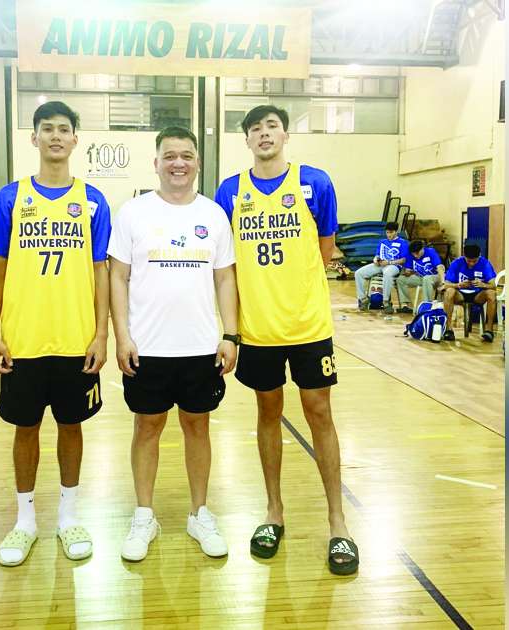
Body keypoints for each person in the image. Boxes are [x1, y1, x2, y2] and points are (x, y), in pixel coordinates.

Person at [214, 104, 358, 575]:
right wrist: (232, 330)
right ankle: (274, 513)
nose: (263, 134)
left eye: (271, 126)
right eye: (254, 129)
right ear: (247, 140)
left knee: (321, 415)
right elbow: (226, 265)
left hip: (309, 327)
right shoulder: (230, 191)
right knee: (268, 413)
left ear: (285, 134)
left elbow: (325, 249)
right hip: (258, 331)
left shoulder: (315, 182)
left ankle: (338, 522)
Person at [0, 101, 111, 566]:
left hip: (76, 341)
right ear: (33, 139)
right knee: (25, 427)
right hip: (23, 340)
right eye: (46, 129)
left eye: (64, 129)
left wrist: (102, 335)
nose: (56, 136)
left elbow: (101, 271)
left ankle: (69, 516)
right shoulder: (11, 198)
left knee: (72, 426)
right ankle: (25, 520)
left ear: (77, 140)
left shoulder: (93, 200)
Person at [108, 126, 239, 562]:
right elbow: (118, 277)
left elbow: (225, 278)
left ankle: (199, 513)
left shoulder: (214, 215)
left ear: (197, 162)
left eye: (186, 155)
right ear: (157, 162)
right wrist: (122, 335)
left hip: (201, 347)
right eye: (170, 155)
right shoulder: (133, 213)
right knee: (147, 428)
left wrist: (230, 333)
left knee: (197, 427)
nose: (178, 162)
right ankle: (144, 514)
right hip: (147, 347)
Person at [441, 243, 499, 342]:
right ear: (464, 256)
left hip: (478, 295)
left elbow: (493, 286)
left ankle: (489, 330)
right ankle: (448, 329)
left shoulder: (485, 263)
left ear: (479, 256)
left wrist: (483, 285)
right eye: (469, 261)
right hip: (460, 294)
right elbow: (445, 284)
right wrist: (458, 285)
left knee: (491, 293)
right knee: (449, 291)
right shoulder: (456, 263)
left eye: (474, 261)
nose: (471, 263)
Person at [353, 222, 409, 313]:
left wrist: (390, 262)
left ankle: (386, 301)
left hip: (394, 265)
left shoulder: (402, 243)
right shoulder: (382, 242)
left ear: (396, 232)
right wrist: (376, 259)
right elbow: (377, 255)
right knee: (358, 273)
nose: (389, 235)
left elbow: (403, 260)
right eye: (387, 232)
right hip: (381, 264)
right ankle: (362, 299)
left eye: (391, 232)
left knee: (387, 273)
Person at [396, 240, 446, 308]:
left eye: (417, 253)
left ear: (422, 248)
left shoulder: (430, 251)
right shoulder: (410, 255)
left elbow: (440, 267)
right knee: (400, 279)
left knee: (427, 278)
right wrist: (407, 272)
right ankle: (406, 305)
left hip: (436, 277)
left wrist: (443, 282)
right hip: (421, 277)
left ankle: (427, 305)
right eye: (413, 254)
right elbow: (408, 270)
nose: (415, 256)